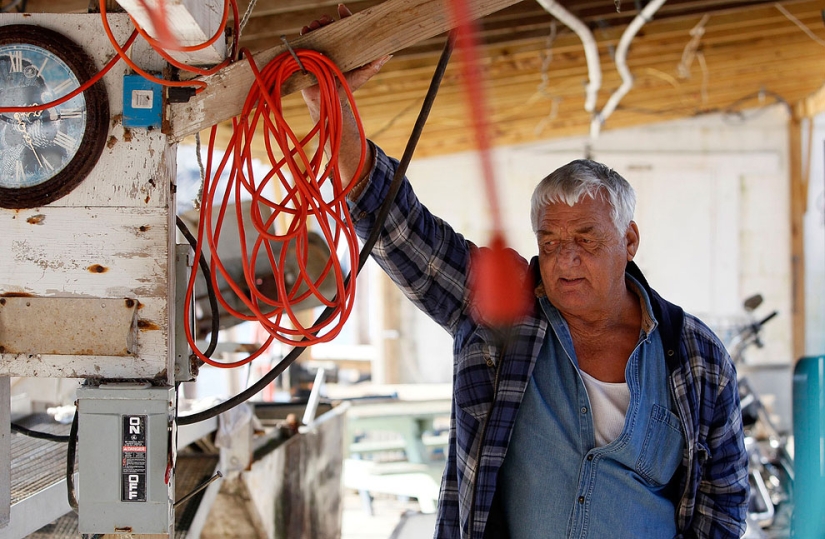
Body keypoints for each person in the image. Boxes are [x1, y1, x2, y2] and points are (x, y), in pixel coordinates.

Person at [301, 7, 749, 538]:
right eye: (551, 241)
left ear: (629, 241)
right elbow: (394, 221)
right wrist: (326, 101)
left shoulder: (695, 355)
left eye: (587, 239)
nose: (566, 260)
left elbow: (722, 508)